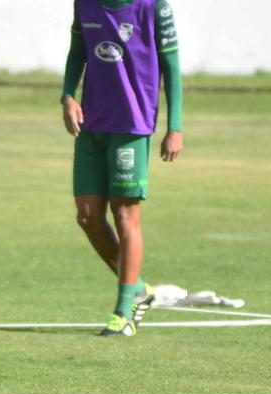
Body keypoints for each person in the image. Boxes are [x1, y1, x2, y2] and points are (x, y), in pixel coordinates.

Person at [61, 0, 183, 336]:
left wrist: (175, 127)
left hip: (132, 125)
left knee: (125, 214)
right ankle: (139, 289)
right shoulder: (84, 3)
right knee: (87, 215)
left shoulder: (155, 7)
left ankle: (124, 310)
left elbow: (171, 66)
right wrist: (68, 95)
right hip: (91, 124)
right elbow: (78, 51)